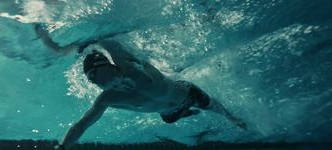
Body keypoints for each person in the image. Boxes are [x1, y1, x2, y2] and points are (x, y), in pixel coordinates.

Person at [34, 24, 247, 149]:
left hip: (187, 93)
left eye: (96, 77)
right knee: (172, 117)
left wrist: (93, 39)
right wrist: (62, 147)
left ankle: (228, 117)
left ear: (108, 67)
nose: (96, 83)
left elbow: (106, 40)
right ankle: (187, 113)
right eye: (92, 80)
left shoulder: (127, 66)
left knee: (212, 107)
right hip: (168, 112)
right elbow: (81, 125)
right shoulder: (107, 98)